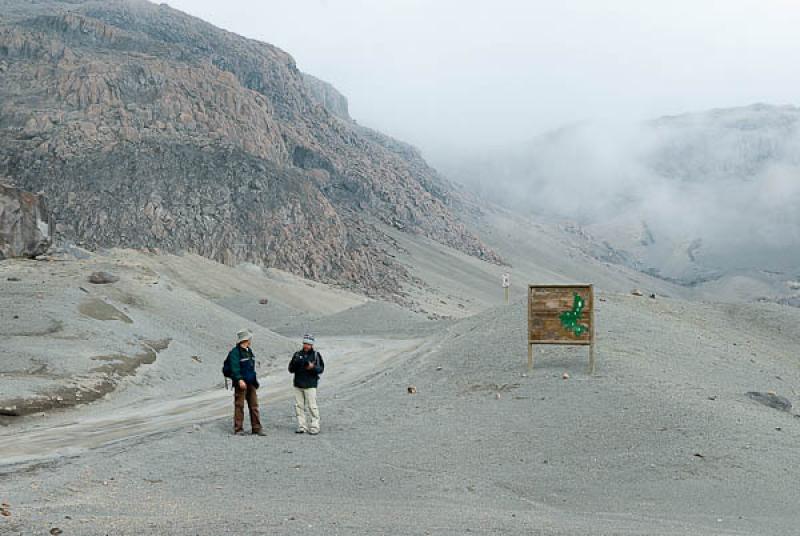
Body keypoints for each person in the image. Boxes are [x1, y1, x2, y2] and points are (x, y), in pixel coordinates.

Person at [228, 329, 265, 436]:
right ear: (245, 339)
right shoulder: (235, 352)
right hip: (241, 383)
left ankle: (256, 428)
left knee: (254, 405)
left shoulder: (249, 351)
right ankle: (238, 429)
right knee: (239, 405)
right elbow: (234, 368)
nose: (250, 340)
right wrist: (239, 379)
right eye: (249, 338)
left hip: (251, 382)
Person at [288, 334, 325, 435]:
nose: (306, 346)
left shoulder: (316, 355)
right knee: (299, 406)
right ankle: (302, 426)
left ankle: (315, 426)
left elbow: (321, 369)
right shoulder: (297, 354)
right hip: (298, 384)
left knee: (312, 406)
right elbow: (290, 369)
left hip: (310, 384)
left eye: (308, 344)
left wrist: (312, 367)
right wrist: (296, 363)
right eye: (305, 343)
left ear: (312, 345)